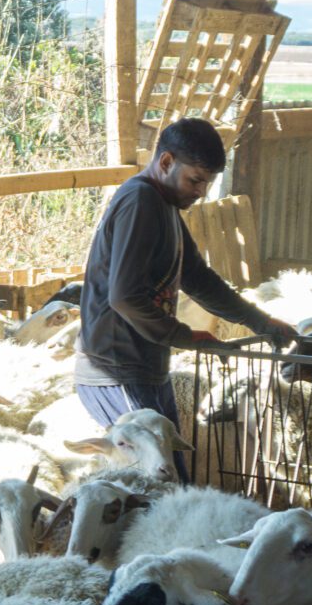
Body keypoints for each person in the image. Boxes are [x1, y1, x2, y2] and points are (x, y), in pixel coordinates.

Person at [77, 117, 297, 440]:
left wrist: (261, 322)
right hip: (116, 369)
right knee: (158, 485)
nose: (201, 192)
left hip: (146, 368)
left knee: (174, 481)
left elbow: (197, 279)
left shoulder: (163, 207)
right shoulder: (140, 201)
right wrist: (185, 336)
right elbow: (124, 297)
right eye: (195, 180)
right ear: (166, 161)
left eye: (207, 183)